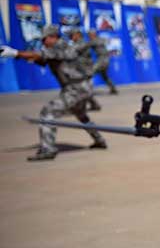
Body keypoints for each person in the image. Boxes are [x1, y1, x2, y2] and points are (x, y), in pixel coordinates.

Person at [0, 25, 107, 161]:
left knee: (48, 112)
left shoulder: (60, 46)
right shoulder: (55, 48)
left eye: (45, 39)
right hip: (79, 87)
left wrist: (15, 53)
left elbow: (40, 55)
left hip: (76, 88)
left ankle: (48, 149)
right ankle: (99, 140)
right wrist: (21, 56)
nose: (43, 42)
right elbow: (41, 59)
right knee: (81, 115)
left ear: (54, 37)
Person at [69, 28, 102, 111]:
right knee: (83, 89)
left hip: (85, 70)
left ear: (78, 35)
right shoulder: (76, 43)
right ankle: (94, 105)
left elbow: (72, 51)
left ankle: (82, 107)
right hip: (80, 70)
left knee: (82, 89)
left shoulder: (82, 43)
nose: (71, 38)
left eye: (72, 35)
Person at [88, 29, 118, 95]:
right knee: (104, 76)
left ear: (93, 34)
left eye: (90, 35)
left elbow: (87, 46)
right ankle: (113, 88)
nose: (89, 36)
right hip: (103, 59)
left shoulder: (95, 40)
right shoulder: (98, 40)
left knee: (90, 72)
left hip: (102, 60)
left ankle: (87, 90)